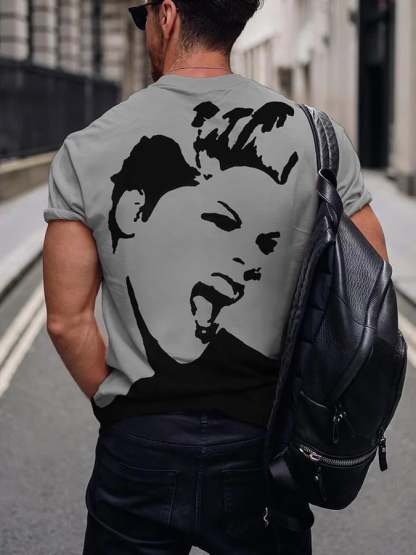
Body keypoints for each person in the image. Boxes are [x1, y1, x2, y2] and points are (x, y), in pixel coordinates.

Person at [42, 1, 389, 553]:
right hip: (267, 447)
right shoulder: (318, 138)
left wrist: (128, 410)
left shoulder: (87, 148)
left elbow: (66, 321)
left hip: (138, 450)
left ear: (167, 15)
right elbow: (369, 293)